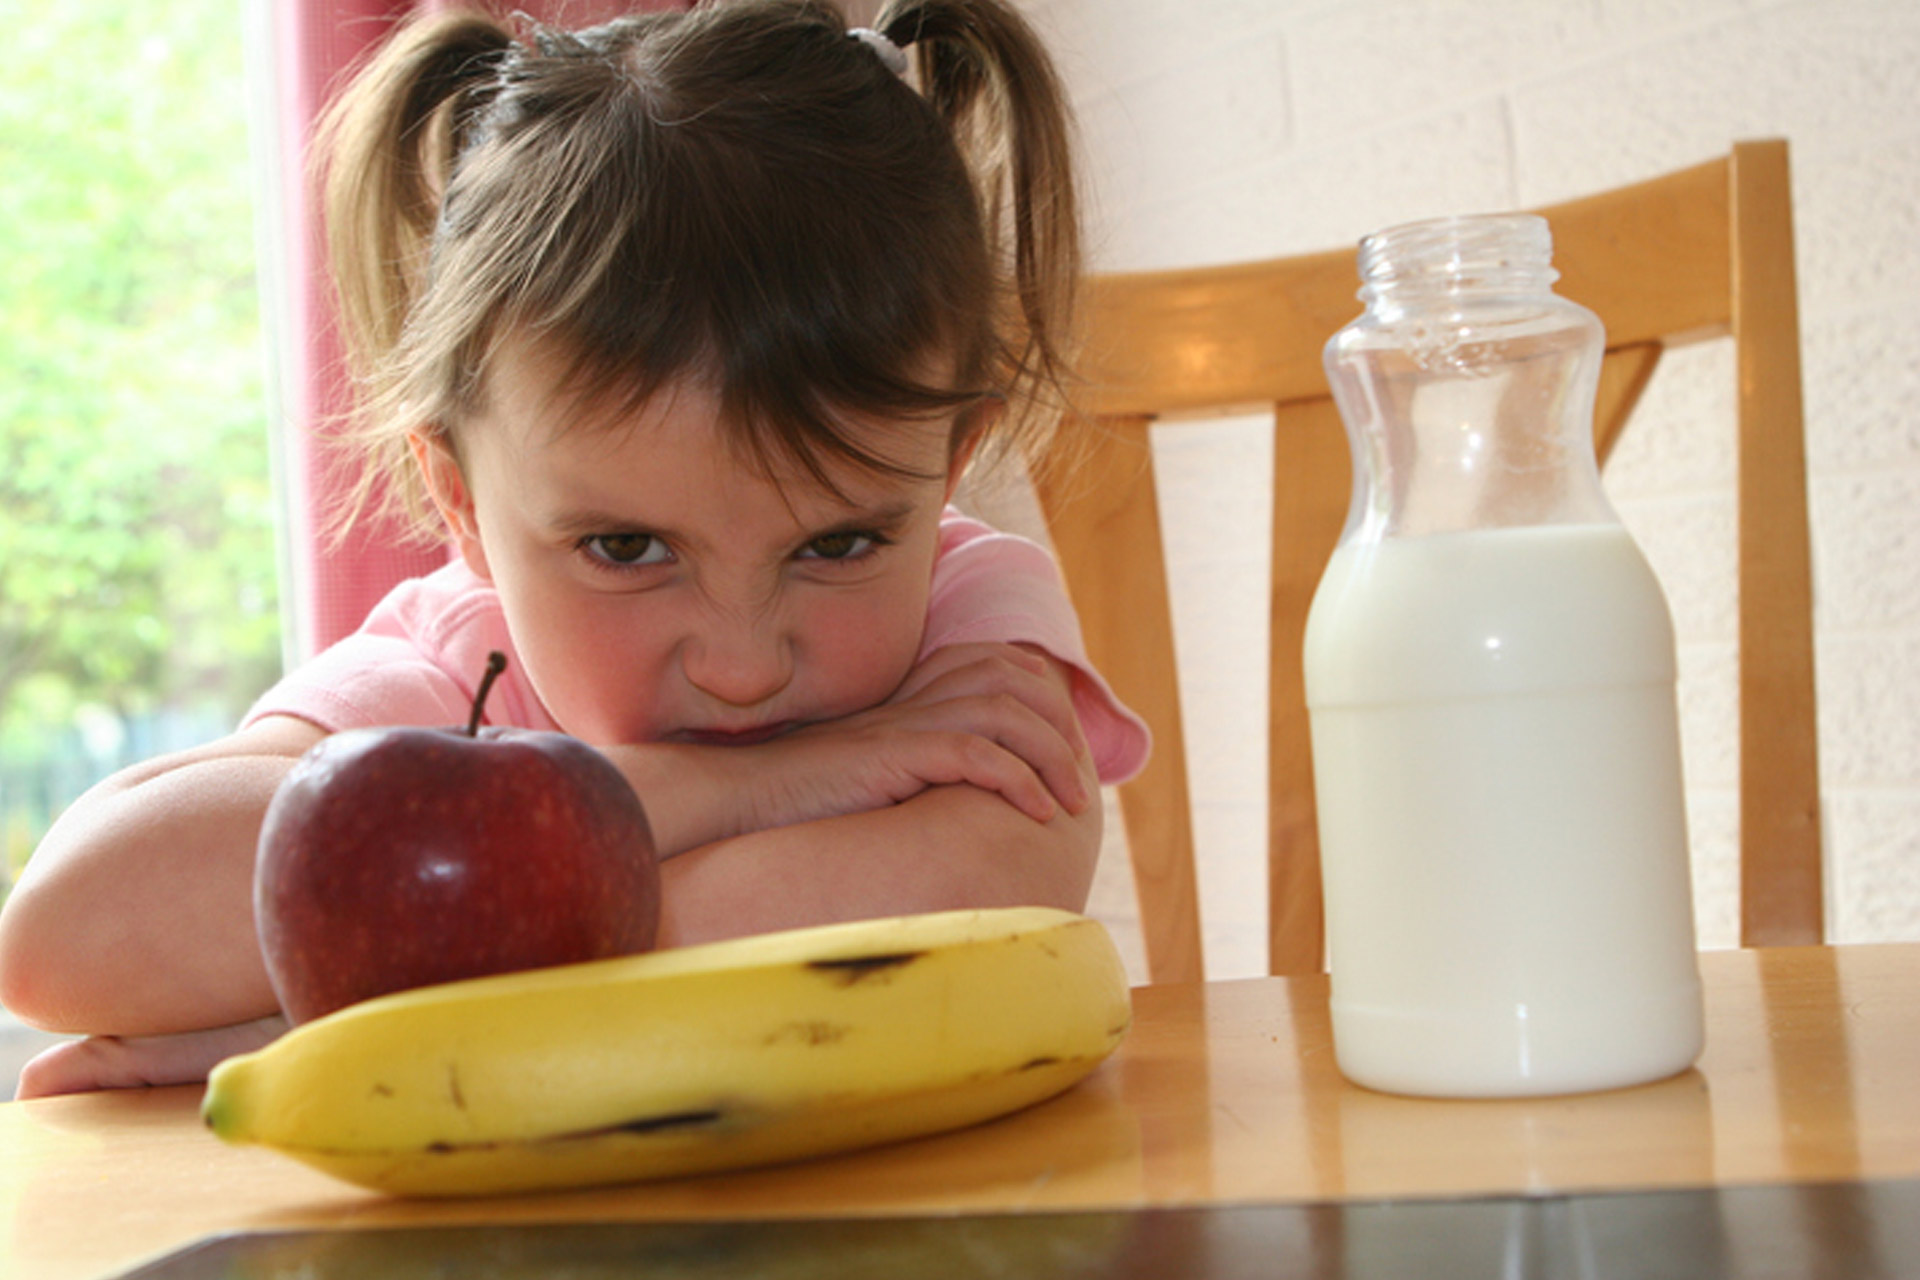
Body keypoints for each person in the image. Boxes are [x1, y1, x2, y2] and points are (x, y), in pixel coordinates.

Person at [0, 0, 1148, 1098]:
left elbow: (978, 897)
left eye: (838, 541)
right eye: (629, 546)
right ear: (460, 501)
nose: (741, 663)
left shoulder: (969, 610)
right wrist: (763, 785)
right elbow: (66, 938)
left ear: (951, 465)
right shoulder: (453, 665)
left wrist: (369, 987)